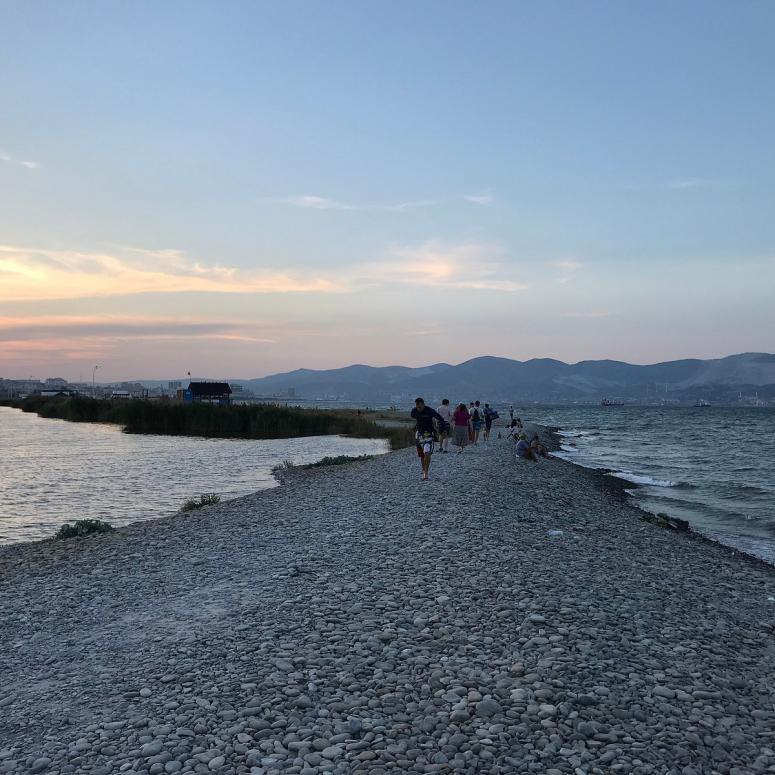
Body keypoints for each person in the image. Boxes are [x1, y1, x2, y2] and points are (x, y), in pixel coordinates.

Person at [410, 397, 445, 480]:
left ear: (423, 404)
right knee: (422, 455)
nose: (418, 409)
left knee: (427, 453)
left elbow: (441, 419)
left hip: (429, 434)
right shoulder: (414, 411)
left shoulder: (430, 410)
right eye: (417, 407)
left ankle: (426, 473)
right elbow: (412, 415)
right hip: (419, 434)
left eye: (420, 407)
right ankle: (423, 470)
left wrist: (441, 430)